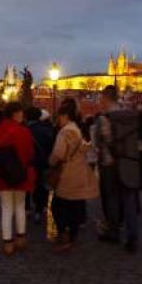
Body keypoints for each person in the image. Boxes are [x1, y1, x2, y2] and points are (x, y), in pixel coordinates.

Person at [95, 86, 142, 253]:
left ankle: (114, 232)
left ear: (105, 99)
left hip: (111, 163)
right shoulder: (131, 116)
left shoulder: (105, 118)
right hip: (130, 163)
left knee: (112, 199)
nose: (100, 103)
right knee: (130, 200)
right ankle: (133, 236)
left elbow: (100, 142)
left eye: (101, 100)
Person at [49, 99, 98, 253]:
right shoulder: (76, 129)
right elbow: (84, 147)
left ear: (65, 116)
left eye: (59, 117)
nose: (58, 120)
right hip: (79, 171)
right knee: (75, 205)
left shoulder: (64, 132)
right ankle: (73, 235)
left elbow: (58, 153)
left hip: (67, 173)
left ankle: (64, 235)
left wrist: (51, 161)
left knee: (58, 205)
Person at [0, 102, 35, 256]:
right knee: (20, 206)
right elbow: (29, 154)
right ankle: (21, 238)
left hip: (3, 175)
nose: (23, 116)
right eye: (21, 113)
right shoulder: (24, 132)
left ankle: (8, 242)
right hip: (21, 174)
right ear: (15, 114)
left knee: (7, 209)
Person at [25, 107, 54, 223]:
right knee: (41, 186)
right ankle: (39, 209)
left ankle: (26, 208)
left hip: (28, 163)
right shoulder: (46, 130)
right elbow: (50, 147)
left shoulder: (25, 129)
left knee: (26, 185)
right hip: (42, 163)